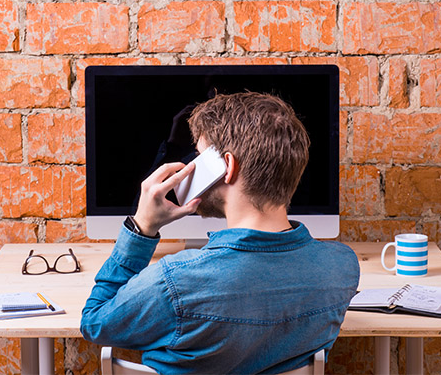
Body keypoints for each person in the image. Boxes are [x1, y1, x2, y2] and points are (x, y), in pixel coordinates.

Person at [81, 92, 359, 374]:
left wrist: (142, 227)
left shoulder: (173, 283)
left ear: (228, 167)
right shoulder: (342, 267)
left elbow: (94, 323)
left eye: (200, 157)